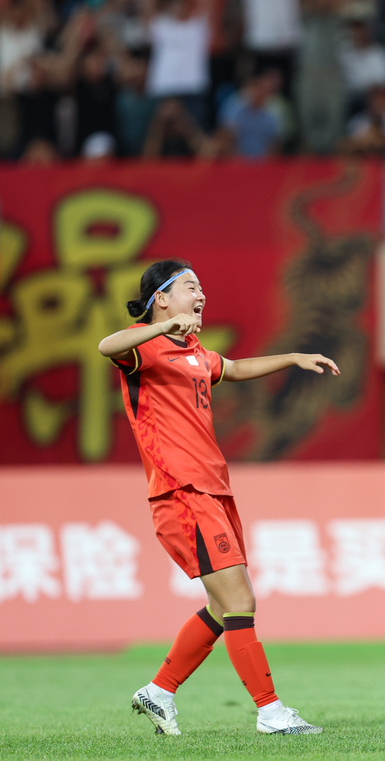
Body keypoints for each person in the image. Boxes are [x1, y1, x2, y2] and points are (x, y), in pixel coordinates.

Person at [98, 259, 338, 736]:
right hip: (182, 491)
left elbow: (235, 367)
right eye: (190, 287)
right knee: (240, 600)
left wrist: (291, 359)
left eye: (202, 286)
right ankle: (270, 712)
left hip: (213, 488)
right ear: (162, 298)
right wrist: (161, 326)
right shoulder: (146, 347)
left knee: (219, 607)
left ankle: (159, 691)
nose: (200, 294)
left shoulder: (195, 353)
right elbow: (107, 346)